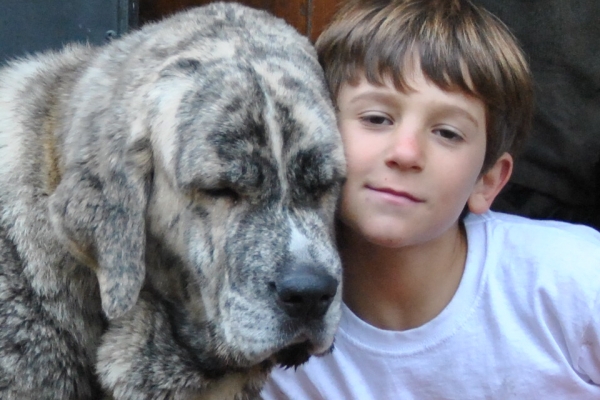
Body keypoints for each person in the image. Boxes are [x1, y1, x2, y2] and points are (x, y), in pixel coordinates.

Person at [261, 0, 600, 398]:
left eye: (448, 133)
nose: (405, 152)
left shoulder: (572, 282)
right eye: (376, 118)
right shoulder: (267, 309)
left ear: (487, 181)